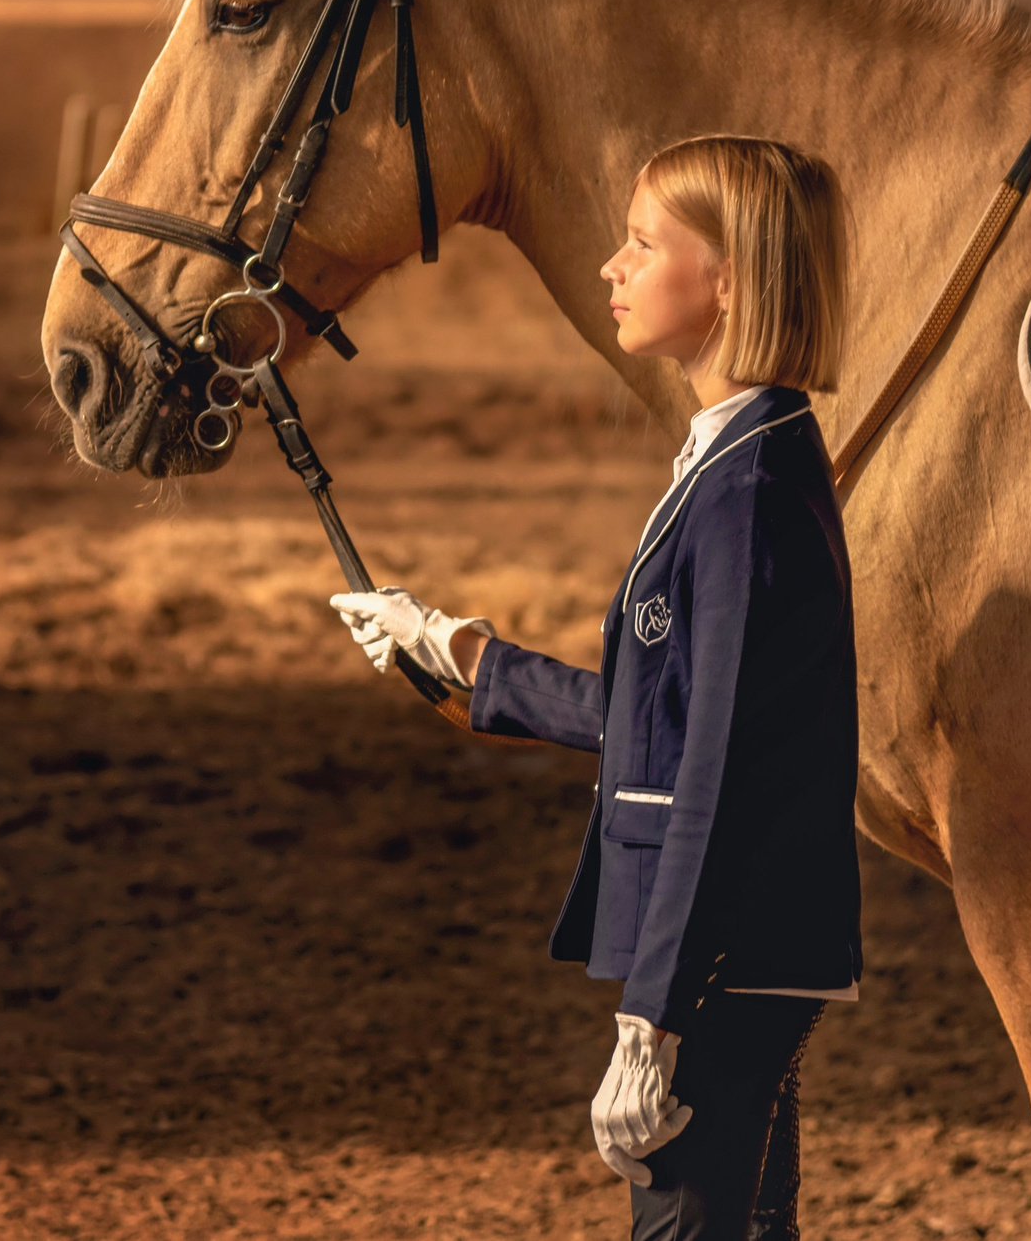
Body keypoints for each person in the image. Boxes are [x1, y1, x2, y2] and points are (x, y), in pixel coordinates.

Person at [331, 135, 862, 1241]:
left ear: (729, 280)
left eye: (640, 243)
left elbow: (713, 772)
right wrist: (460, 652)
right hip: (730, 957)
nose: (610, 269)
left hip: (717, 966)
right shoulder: (731, 461)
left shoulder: (750, 492)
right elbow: (655, 721)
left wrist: (652, 1018)